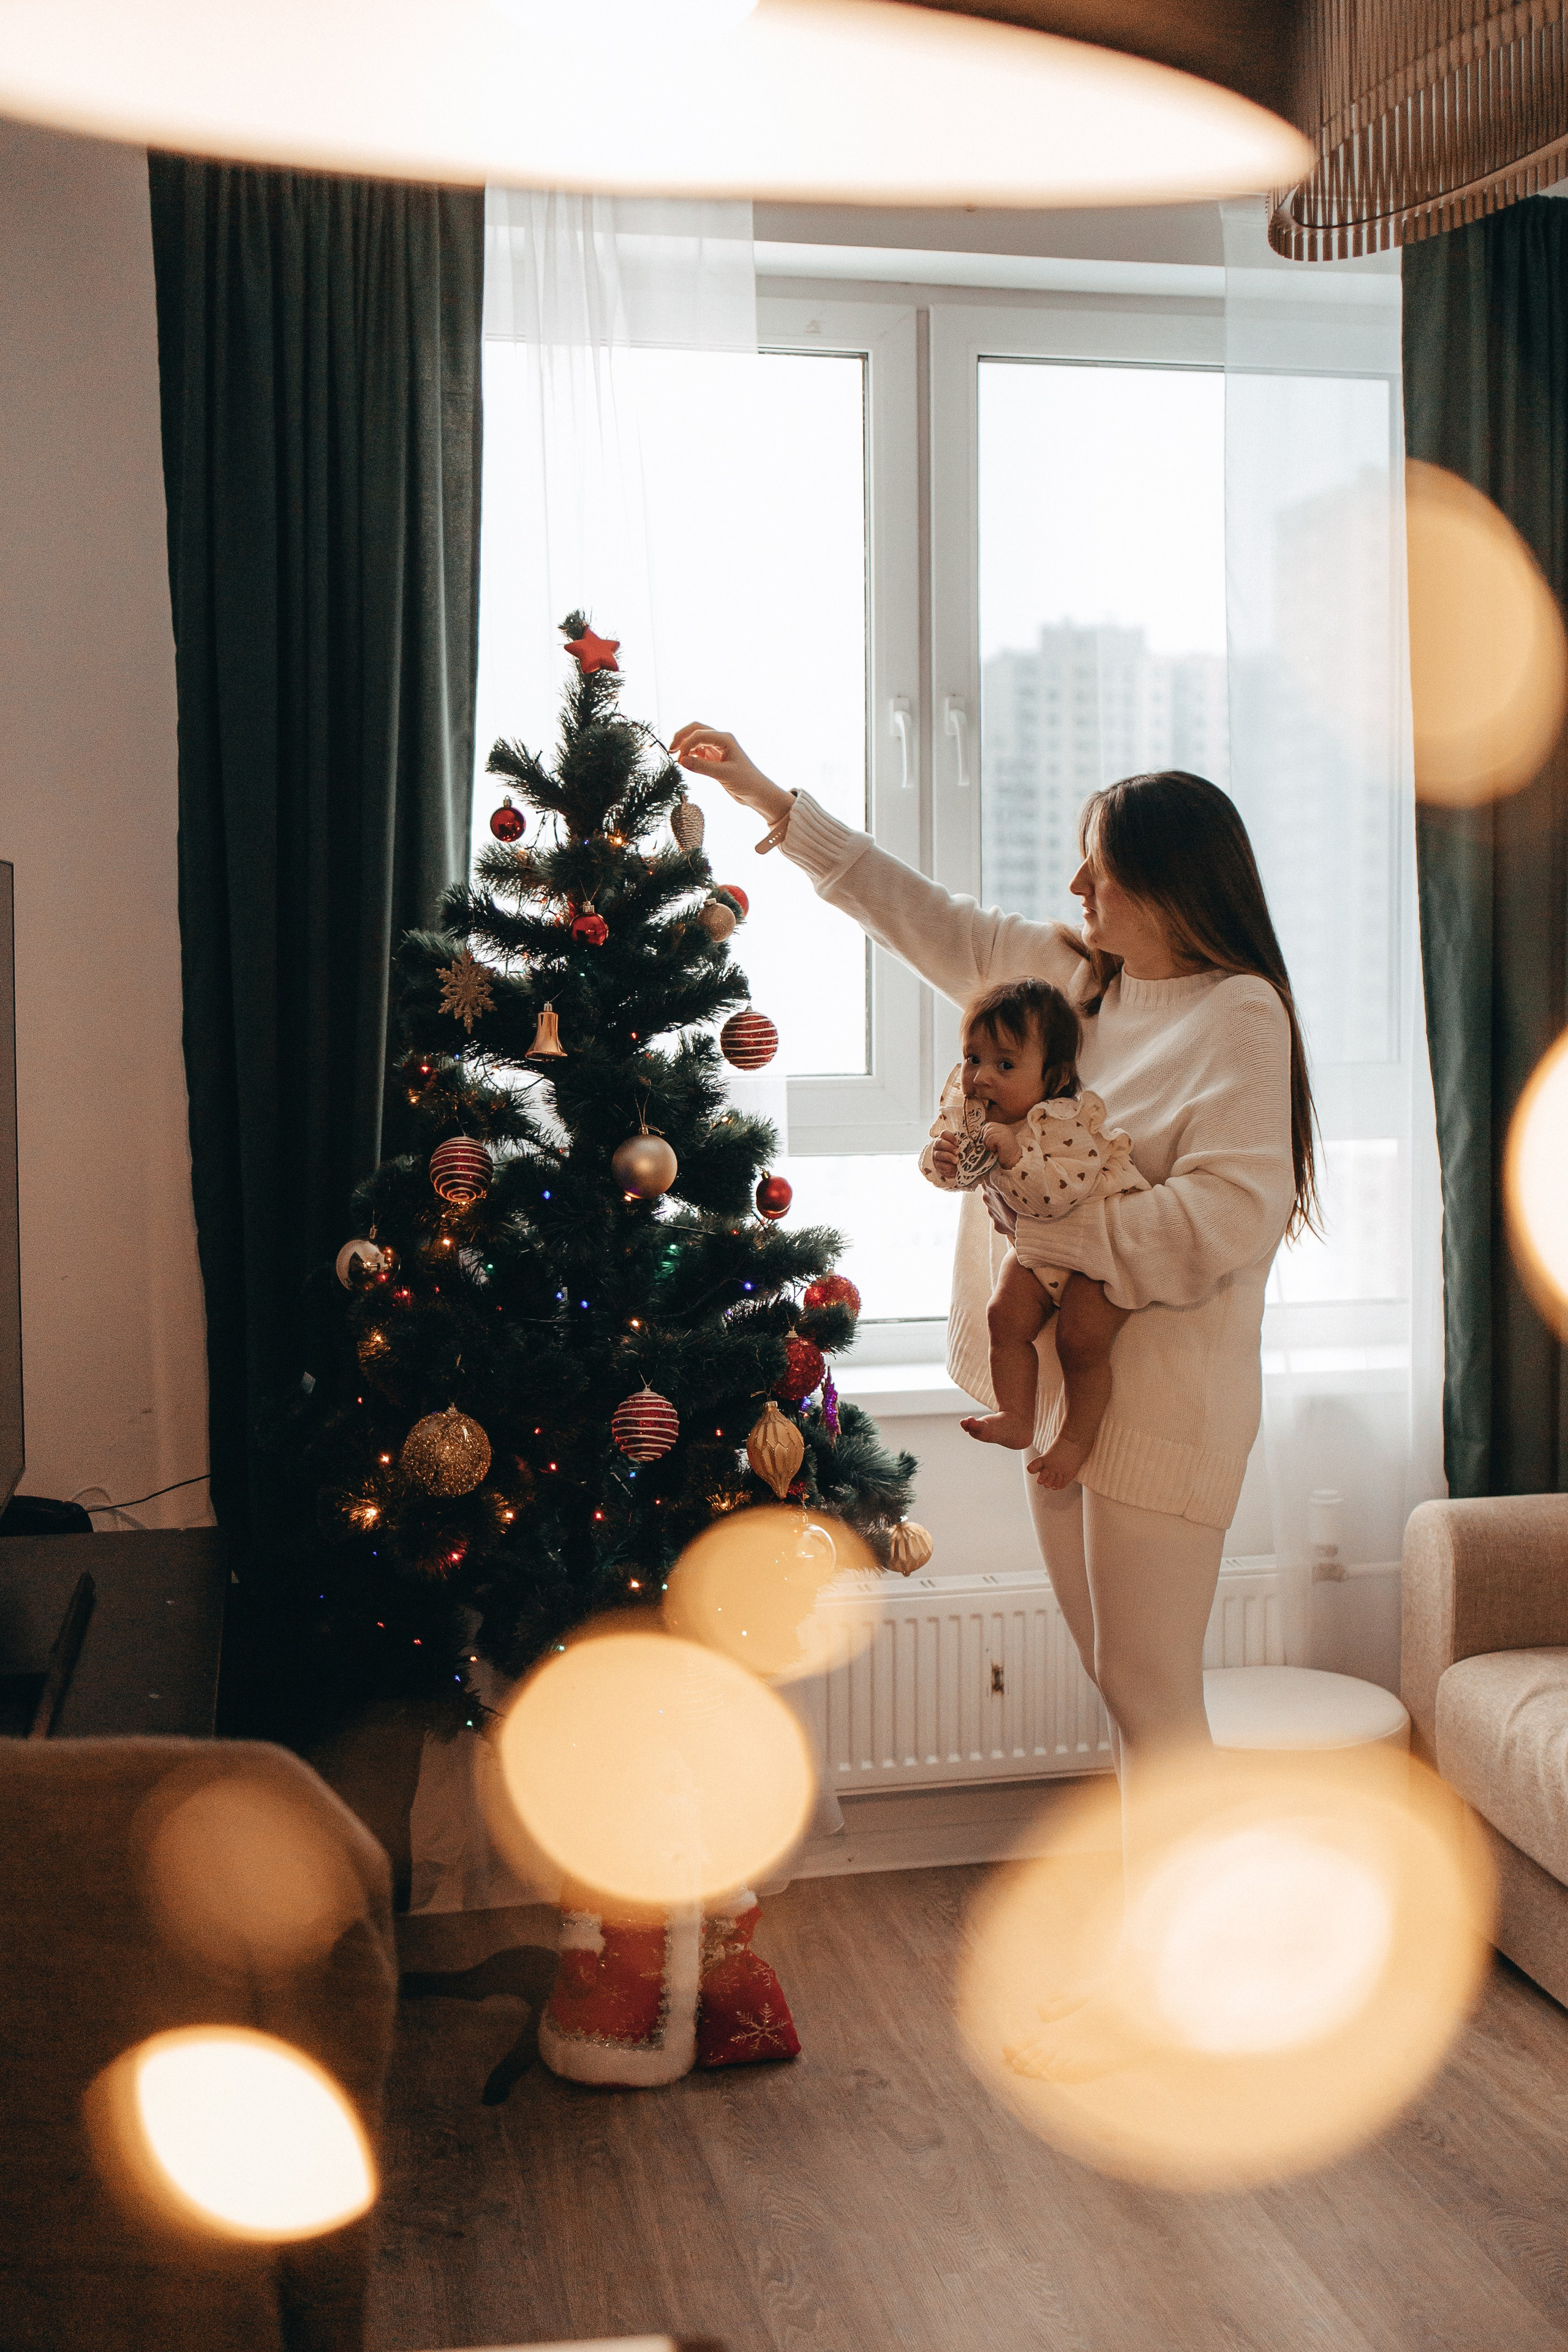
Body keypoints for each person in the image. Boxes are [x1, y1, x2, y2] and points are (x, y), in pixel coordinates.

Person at [669, 725, 1316, 2079]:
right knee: (1121, 1694)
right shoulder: (1071, 983)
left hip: (1162, 1400)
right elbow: (920, 915)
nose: (1074, 896)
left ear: (1170, 889)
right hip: (1053, 1397)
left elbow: (1230, 1215)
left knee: (1152, 1700)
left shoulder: (1236, 1014)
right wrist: (765, 802)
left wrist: (1056, 1219)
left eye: (1097, 875)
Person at [919, 975, 1148, 1485]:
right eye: (973, 1058)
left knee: (1081, 1341)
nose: (981, 1077)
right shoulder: (974, 1118)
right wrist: (941, 1161)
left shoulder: (1065, 1121)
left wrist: (1016, 1155)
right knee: (1003, 1316)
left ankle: (1074, 1439)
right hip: (1036, 1255)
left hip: (1096, 1253)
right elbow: (955, 1177)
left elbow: (1055, 1198)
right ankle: (1017, 1417)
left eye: (1005, 1064)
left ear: (1053, 1076)